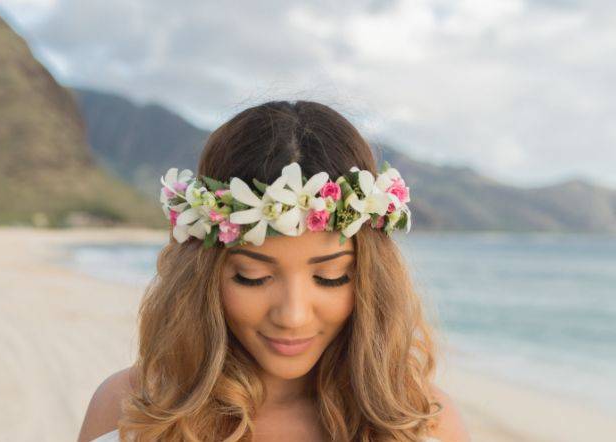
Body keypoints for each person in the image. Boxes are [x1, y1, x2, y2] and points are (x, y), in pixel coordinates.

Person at [77, 101, 470, 441]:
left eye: (330, 276)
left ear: (370, 279)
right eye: (252, 276)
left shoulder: (422, 423)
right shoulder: (130, 410)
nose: (293, 316)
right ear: (204, 275)